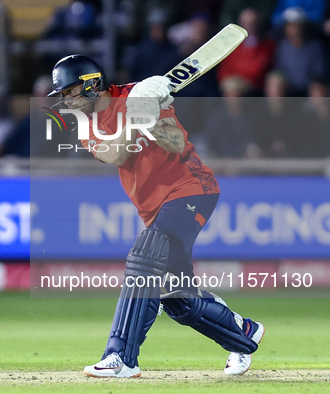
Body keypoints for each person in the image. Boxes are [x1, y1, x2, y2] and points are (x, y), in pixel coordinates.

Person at [46, 54, 265, 377]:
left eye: (70, 92)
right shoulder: (86, 123)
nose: (67, 101)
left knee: (145, 257)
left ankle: (121, 357)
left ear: (92, 84)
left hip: (192, 188)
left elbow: (176, 144)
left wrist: (149, 116)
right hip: (153, 208)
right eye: (62, 96)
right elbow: (116, 153)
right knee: (177, 299)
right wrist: (136, 120)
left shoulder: (142, 93)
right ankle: (243, 333)